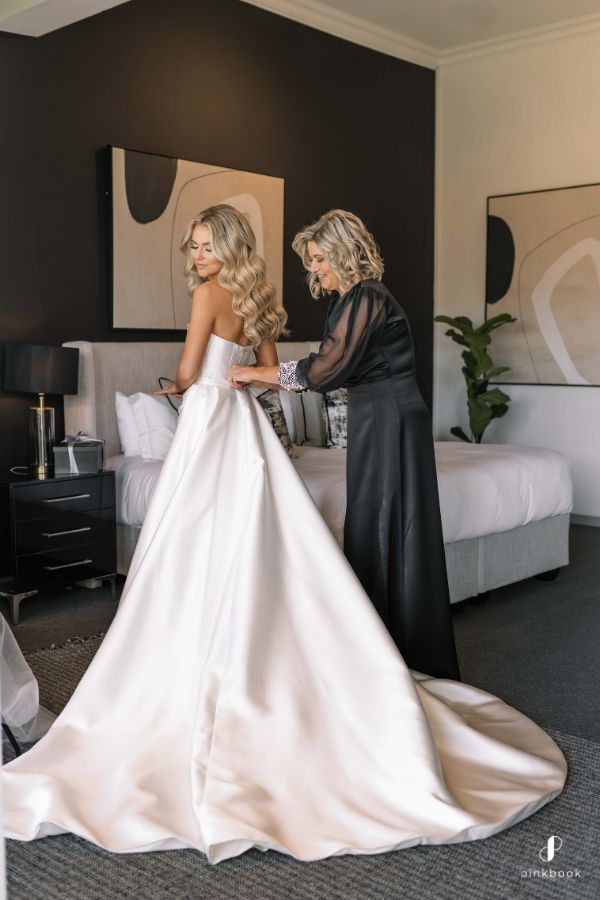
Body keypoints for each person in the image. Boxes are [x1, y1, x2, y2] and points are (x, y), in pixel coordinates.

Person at [2, 204, 566, 864]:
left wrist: (183, 386)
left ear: (223, 247)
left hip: (212, 425)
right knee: (269, 544)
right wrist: (246, 381)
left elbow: (193, 377)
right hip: (248, 431)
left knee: (188, 546)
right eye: (195, 243)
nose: (198, 252)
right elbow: (278, 377)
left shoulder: (218, 295)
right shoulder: (258, 301)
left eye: (205, 242)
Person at [230, 209, 459, 679]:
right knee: (381, 520)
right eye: (311, 260)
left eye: (319, 259)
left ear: (342, 254)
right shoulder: (354, 300)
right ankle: (381, 644)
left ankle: (384, 653)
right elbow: (334, 366)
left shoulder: (367, 298)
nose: (313, 269)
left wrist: (254, 372)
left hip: (389, 416)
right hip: (381, 414)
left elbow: (324, 370)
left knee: (381, 521)